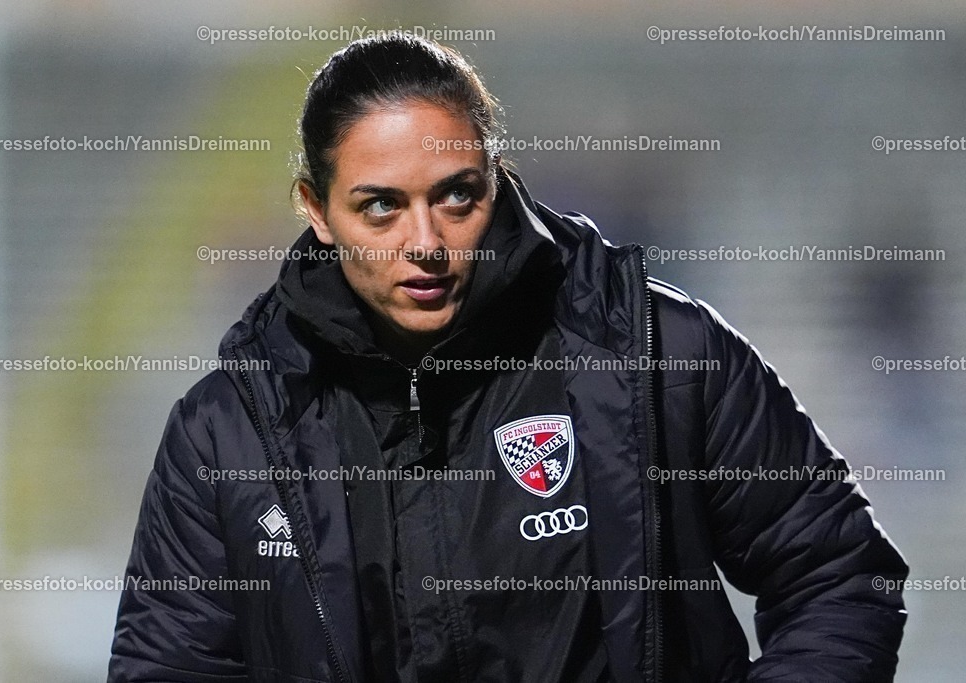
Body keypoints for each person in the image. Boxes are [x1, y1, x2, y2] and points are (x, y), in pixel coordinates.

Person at [108, 34, 908, 683]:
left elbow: (841, 573)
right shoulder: (226, 434)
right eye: (380, 205)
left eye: (456, 194)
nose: (425, 243)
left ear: (497, 179)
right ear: (315, 209)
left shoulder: (658, 356)